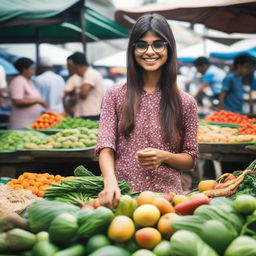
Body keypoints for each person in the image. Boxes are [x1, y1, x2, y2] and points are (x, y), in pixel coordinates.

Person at [95, 14, 199, 208]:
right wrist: (110, 182)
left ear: (169, 48)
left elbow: (190, 158)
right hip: (123, 196)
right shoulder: (115, 95)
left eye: (158, 44)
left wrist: (165, 156)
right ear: (133, 50)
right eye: (142, 45)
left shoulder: (186, 102)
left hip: (168, 200)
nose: (150, 51)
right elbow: (105, 146)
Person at [8, 57, 47, 129]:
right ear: (24, 69)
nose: (33, 71)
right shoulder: (18, 81)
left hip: (31, 123)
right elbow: (17, 101)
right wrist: (37, 100)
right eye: (31, 69)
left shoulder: (29, 81)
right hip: (21, 123)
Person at [63, 52, 103, 120]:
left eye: (70, 65)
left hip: (91, 115)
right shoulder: (82, 76)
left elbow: (83, 94)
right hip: (84, 115)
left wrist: (74, 92)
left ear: (77, 65)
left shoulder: (90, 74)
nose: (68, 67)